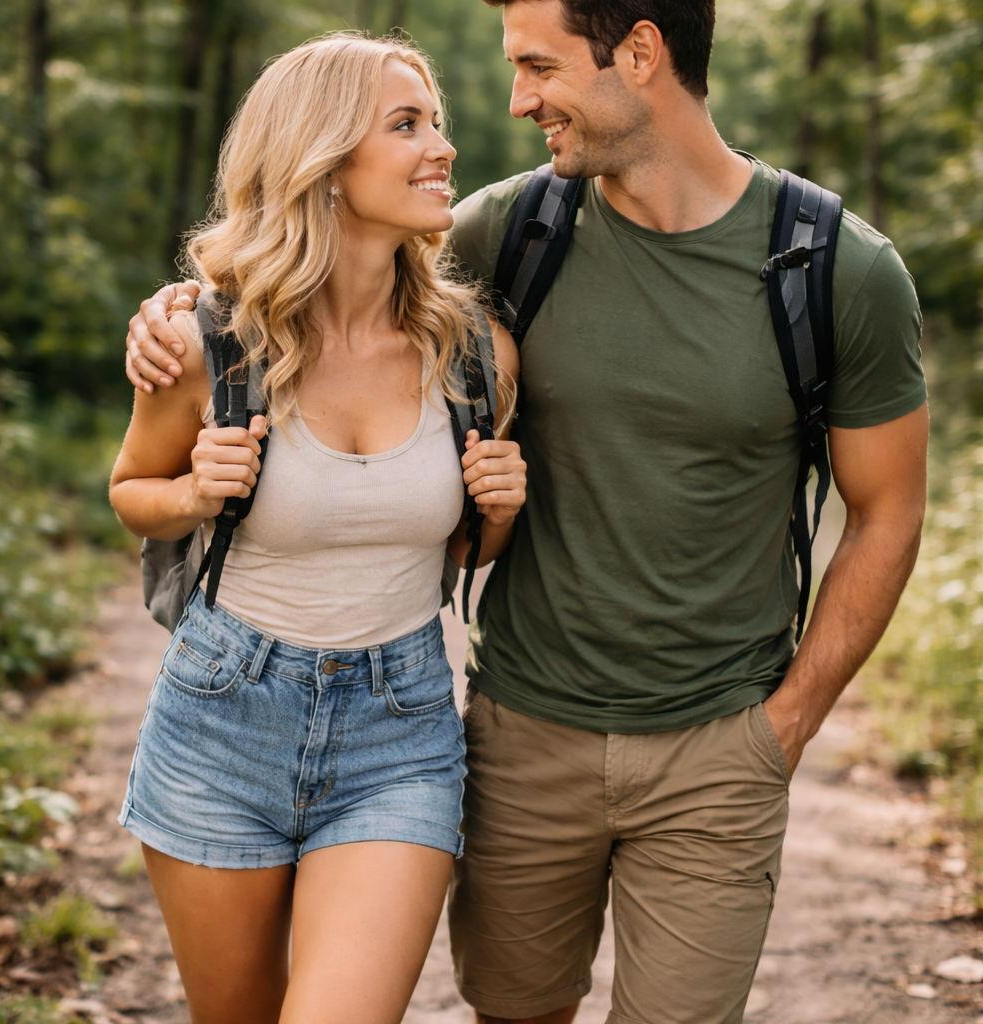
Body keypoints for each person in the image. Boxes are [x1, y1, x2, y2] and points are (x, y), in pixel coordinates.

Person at [125, 3, 929, 1022]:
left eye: (537, 66)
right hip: (519, 735)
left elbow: (888, 509)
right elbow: (306, 267)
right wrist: (166, 315)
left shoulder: (835, 270)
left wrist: (789, 722)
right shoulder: (508, 231)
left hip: (716, 748)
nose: (513, 103)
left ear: (638, 54)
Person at [109, 32, 526, 1024]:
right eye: (406, 124)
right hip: (220, 722)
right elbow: (131, 487)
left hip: (399, 732)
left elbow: (465, 552)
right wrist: (196, 493)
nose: (443, 149)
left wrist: (499, 509)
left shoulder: (477, 352)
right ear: (321, 159)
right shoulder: (203, 335)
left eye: (436, 123)